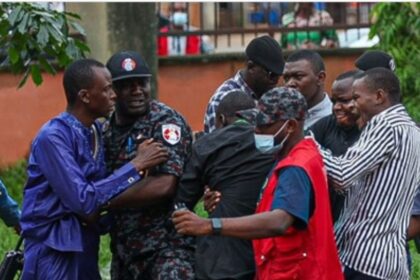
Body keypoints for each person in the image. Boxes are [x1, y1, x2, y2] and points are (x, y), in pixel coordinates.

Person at [20, 59, 168, 280]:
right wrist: (135, 165)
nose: (114, 95)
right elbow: (83, 199)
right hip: (54, 248)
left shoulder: (96, 131)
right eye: (107, 88)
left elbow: (100, 193)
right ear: (85, 96)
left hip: (85, 245)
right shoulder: (53, 137)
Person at [174, 87, 343, 280]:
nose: (256, 130)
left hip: (299, 272)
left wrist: (210, 225)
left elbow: (280, 221)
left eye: (264, 125)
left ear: (290, 126)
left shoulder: (296, 167)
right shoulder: (295, 154)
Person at [319, 68, 420, 279]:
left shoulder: (385, 125)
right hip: (391, 259)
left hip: (365, 259)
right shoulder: (412, 130)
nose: (352, 105)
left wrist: (307, 144)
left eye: (356, 98)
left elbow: (341, 175)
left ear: (379, 96)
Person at [104, 50, 194, 280]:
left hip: (166, 250)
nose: (137, 91)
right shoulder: (105, 129)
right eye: (127, 85)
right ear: (112, 91)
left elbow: (164, 184)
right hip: (125, 253)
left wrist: (102, 199)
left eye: (142, 82)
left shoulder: (164, 122)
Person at [175, 90, 275, 280]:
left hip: (221, 258)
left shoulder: (206, 145)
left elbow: (181, 203)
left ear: (220, 119)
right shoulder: (274, 143)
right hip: (267, 248)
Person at [308, 70, 361, 223]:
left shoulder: (375, 132)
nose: (336, 107)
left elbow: (344, 176)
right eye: (334, 101)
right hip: (330, 221)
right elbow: (302, 145)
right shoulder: (328, 123)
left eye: (343, 101)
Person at [203, 35, 284, 133]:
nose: (275, 82)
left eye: (278, 76)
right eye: (271, 75)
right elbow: (220, 145)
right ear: (251, 67)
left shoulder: (269, 95)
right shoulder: (224, 98)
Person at [283, 49, 332, 129]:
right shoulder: (282, 117)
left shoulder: (334, 118)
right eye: (286, 78)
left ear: (320, 78)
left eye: (298, 76)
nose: (290, 83)